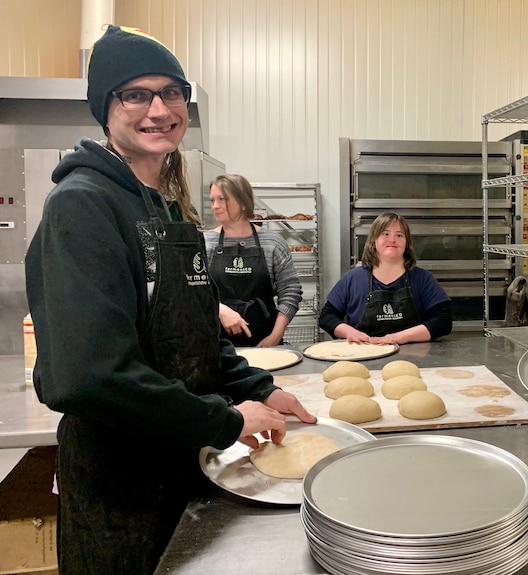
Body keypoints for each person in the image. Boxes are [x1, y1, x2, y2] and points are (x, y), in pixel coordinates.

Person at [24, 25, 316, 575]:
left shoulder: (166, 212)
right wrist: (227, 420)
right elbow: (90, 375)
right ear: (104, 110)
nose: (159, 109)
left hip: (183, 466)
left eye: (172, 93)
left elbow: (192, 340)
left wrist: (258, 388)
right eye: (135, 94)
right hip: (122, 491)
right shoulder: (82, 206)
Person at [319, 212, 452, 344]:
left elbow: (443, 321)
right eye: (385, 234)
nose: (392, 240)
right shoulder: (353, 279)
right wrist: (351, 333)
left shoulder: (422, 279)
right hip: (364, 355)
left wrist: (401, 337)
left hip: (413, 357)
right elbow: (327, 316)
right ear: (373, 240)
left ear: (407, 243)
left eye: (399, 235)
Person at [204, 174, 303, 347]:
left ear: (243, 202)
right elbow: (194, 293)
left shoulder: (272, 242)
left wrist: (275, 336)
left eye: (222, 199)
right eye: (213, 200)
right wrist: (219, 309)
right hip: (217, 344)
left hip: (265, 339)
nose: (215, 206)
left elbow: (290, 292)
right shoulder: (205, 243)